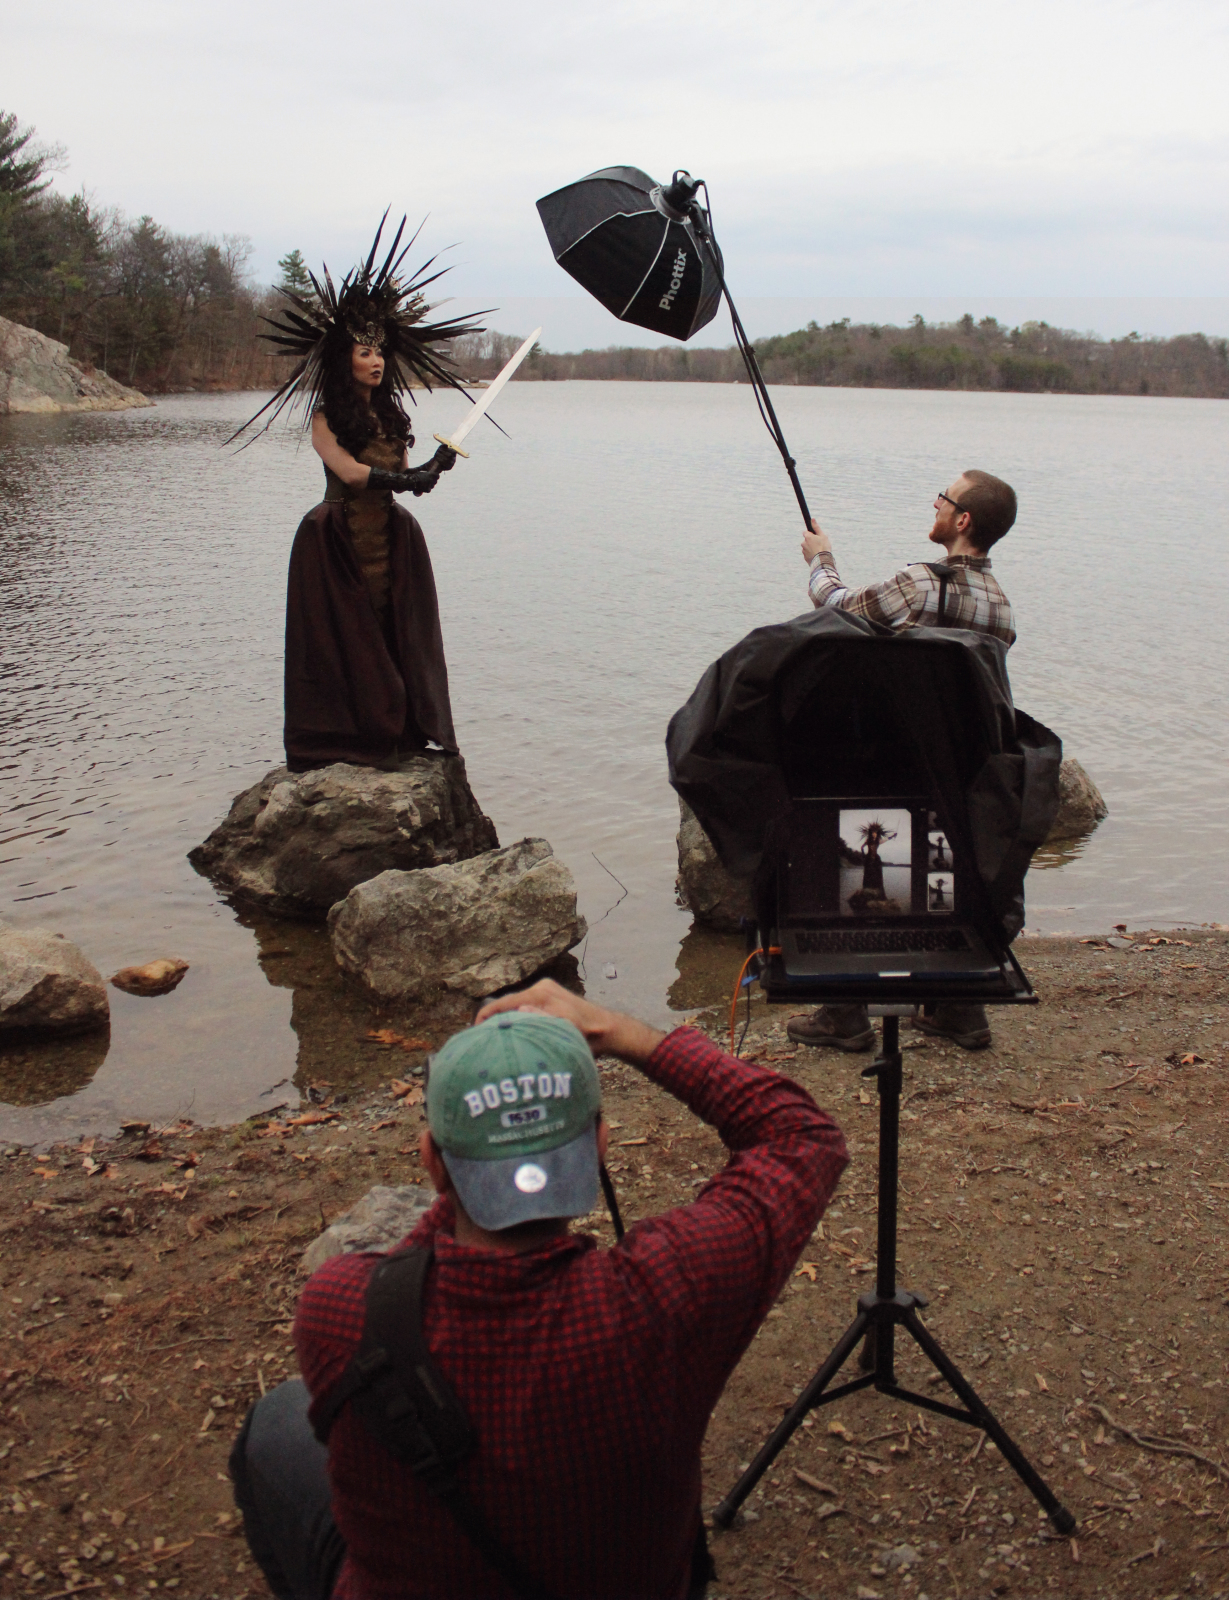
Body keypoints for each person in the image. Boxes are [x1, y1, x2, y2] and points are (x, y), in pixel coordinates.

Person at [230, 979, 848, 1600]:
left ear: (431, 1162)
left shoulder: (339, 1311)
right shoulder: (668, 1298)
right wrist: (618, 1031)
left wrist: (470, 1156)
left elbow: (408, 1267)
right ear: (600, 1147)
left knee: (275, 1423)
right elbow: (800, 1136)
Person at [230, 215, 486, 772]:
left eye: (380, 352)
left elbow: (406, 478)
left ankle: (400, 731)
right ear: (343, 358)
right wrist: (406, 480)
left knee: (395, 630)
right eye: (365, 352)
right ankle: (357, 736)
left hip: (390, 537)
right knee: (349, 637)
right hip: (339, 539)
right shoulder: (326, 417)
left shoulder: (389, 416)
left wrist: (433, 466)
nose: (376, 361)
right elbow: (348, 472)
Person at [788, 470, 1018, 1054]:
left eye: (944, 497)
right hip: (962, 779)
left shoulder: (919, 586)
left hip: (891, 766)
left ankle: (844, 1012)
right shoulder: (1002, 609)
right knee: (946, 866)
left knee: (842, 842)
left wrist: (821, 558)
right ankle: (959, 1008)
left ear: (962, 520)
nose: (935, 503)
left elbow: (840, 607)